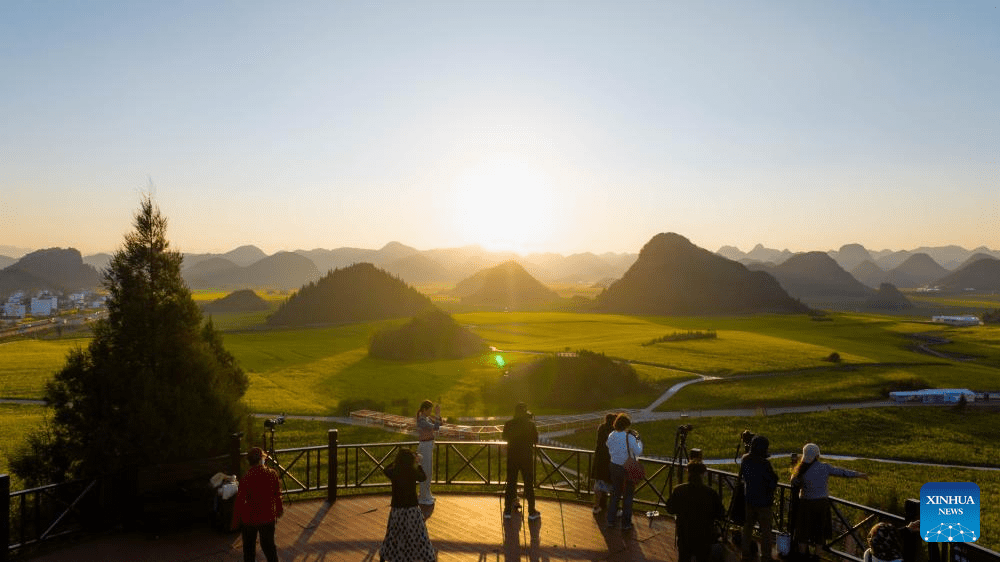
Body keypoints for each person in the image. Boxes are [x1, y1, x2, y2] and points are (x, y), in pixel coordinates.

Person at [791, 443, 868, 559]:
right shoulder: (824, 467)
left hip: (805, 504)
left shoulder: (800, 470)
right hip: (821, 504)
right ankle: (817, 557)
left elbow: (793, 482)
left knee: (803, 531)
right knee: (819, 532)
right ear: (817, 455)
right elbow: (842, 472)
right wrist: (859, 475)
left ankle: (802, 557)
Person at [380, 448, 436, 562]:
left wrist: (395, 462)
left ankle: (386, 555)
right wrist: (417, 463)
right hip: (411, 508)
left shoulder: (394, 472)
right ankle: (426, 556)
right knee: (417, 533)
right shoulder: (412, 471)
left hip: (397, 508)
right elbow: (423, 477)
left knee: (393, 533)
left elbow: (385, 469)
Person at [666, 460, 726, 562]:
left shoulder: (679, 490)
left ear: (688, 472)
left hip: (684, 534)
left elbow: (670, 509)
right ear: (703, 474)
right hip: (704, 536)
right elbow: (721, 514)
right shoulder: (711, 493)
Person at [231, 447, 283, 562]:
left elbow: (239, 501)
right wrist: (279, 509)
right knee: (269, 548)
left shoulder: (246, 477)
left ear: (249, 461)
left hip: (250, 518)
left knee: (249, 550)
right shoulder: (272, 474)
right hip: (268, 516)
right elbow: (277, 494)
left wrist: (235, 522)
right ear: (262, 459)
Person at [738, 435, 778, 562]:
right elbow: (773, 479)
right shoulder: (765, 463)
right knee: (766, 531)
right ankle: (765, 555)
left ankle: (745, 553)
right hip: (764, 501)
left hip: (749, 498)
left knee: (748, 527)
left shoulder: (745, 459)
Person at [503, 402, 540, 520]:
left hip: (512, 458)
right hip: (526, 459)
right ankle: (531, 511)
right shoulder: (530, 424)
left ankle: (507, 510)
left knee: (510, 483)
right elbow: (536, 439)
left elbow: (504, 437)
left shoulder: (508, 424)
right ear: (525, 412)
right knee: (528, 484)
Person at [606, 413, 642, 531]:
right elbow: (638, 451)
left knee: (615, 494)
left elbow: (608, 446)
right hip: (626, 468)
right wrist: (638, 440)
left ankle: (610, 520)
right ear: (626, 425)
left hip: (613, 466)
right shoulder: (629, 437)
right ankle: (626, 523)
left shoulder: (611, 435)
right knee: (628, 495)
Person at [416, 399, 442, 505]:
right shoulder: (422, 420)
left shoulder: (426, 418)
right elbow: (436, 427)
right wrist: (437, 414)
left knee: (429, 471)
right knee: (425, 470)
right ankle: (423, 496)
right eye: (429, 410)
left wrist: (438, 415)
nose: (430, 412)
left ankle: (427, 493)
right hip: (425, 446)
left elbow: (440, 424)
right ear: (424, 409)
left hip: (428, 445)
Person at [591, 413, 617, 514]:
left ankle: (598, 506)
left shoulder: (601, 428)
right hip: (610, 461)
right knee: (611, 485)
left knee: (600, 485)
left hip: (600, 461)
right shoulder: (614, 431)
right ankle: (611, 507)